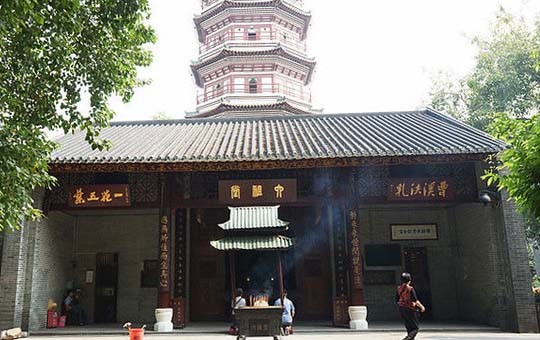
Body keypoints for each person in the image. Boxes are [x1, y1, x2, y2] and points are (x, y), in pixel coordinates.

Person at [396, 272, 426, 340]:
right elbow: (415, 300)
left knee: (409, 326)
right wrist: (422, 307)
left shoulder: (398, 288)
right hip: (410, 309)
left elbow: (397, 300)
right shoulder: (410, 289)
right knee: (415, 328)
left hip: (402, 308)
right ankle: (407, 339)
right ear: (409, 280)